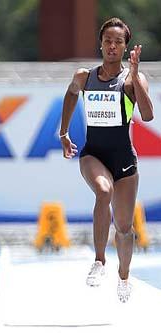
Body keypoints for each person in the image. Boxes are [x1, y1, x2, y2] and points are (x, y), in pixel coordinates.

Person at [59, 18, 153, 302]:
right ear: (100, 43)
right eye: (108, 41)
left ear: (125, 47)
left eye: (118, 42)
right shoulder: (83, 76)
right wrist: (64, 132)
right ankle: (99, 261)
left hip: (124, 159)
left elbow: (148, 116)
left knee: (124, 228)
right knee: (103, 190)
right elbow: (71, 95)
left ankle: (124, 276)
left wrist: (135, 74)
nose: (112, 46)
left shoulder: (130, 79)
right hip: (93, 154)